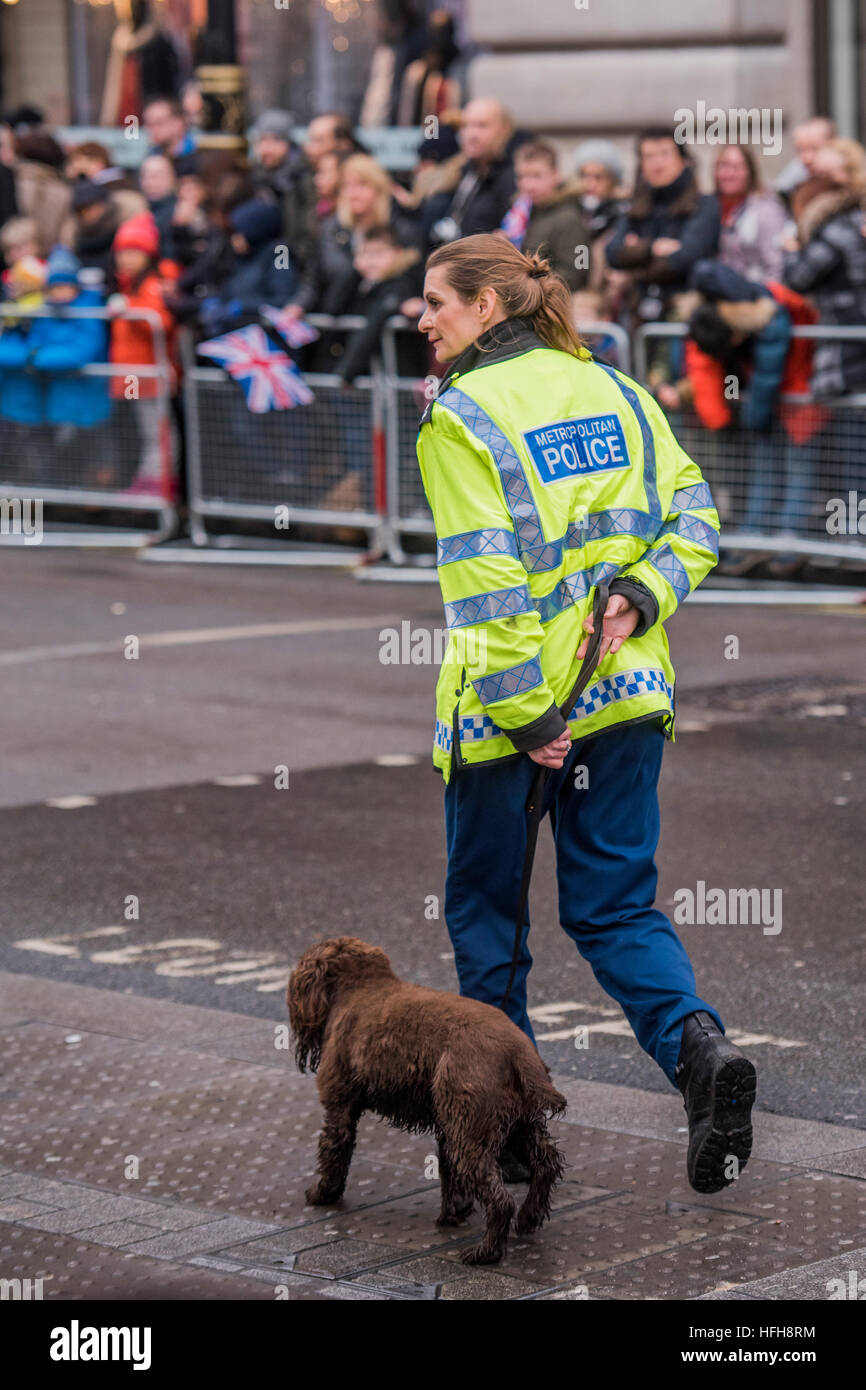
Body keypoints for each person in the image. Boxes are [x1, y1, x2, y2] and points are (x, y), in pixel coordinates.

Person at [415, 232, 755, 1194]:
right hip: (627, 699)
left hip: (507, 725)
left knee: (488, 927)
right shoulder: (611, 385)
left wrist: (527, 720)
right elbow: (695, 516)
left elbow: (485, 591)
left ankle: (510, 1140)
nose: (422, 317)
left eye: (437, 299)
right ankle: (699, 1053)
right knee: (615, 909)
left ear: (488, 307)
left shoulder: (462, 415)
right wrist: (643, 592)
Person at [606, 128, 720, 326]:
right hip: (637, 311)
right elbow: (613, 253)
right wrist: (652, 248)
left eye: (665, 154)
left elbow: (685, 259)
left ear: (684, 159)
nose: (656, 163)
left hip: (684, 313)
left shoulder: (704, 205)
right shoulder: (636, 206)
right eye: (648, 156)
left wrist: (634, 261)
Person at [783, 138, 866, 398]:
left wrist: (793, 252)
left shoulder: (838, 227)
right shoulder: (851, 221)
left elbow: (797, 278)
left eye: (825, 176)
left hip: (849, 358)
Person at [108, 212, 178, 496]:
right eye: (121, 252)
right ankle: (148, 482)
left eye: (132, 251)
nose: (124, 258)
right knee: (144, 432)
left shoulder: (154, 284)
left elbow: (162, 323)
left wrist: (130, 310)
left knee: (158, 433)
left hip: (151, 376)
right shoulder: (129, 286)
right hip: (135, 377)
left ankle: (158, 486)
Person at [510, 140, 589, 294]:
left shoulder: (570, 218)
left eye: (537, 176)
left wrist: (530, 282)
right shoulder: (519, 213)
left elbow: (578, 272)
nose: (528, 185)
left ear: (556, 175)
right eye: (521, 177)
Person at [713, 144, 787, 283]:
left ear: (749, 171)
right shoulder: (711, 208)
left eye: (737, 167)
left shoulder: (766, 210)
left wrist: (764, 300)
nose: (729, 174)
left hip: (756, 293)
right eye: (724, 166)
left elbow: (776, 266)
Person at [142, 96, 198, 177]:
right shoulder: (150, 158)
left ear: (179, 123)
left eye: (158, 123)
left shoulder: (199, 159)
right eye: (148, 124)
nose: (151, 129)